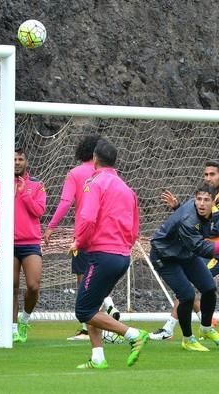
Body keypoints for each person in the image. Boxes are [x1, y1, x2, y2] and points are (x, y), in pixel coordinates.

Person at [71, 139, 148, 369]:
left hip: (101, 254)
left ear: (94, 159)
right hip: (122, 256)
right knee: (92, 305)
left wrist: (79, 242)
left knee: (83, 310)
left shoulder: (94, 183)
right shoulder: (127, 189)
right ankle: (98, 357)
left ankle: (133, 334)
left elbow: (87, 218)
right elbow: (135, 229)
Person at [150, 183, 219, 351]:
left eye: (206, 200)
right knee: (187, 295)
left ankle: (206, 328)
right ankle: (187, 339)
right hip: (164, 256)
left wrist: (177, 207)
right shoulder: (190, 221)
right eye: (198, 199)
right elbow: (204, 249)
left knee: (209, 288)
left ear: (213, 202)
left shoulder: (213, 211)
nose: (201, 203)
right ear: (194, 200)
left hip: (184, 252)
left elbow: (209, 232)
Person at [42, 135, 120, 341]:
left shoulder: (75, 173)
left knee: (84, 282)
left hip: (85, 235)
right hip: (109, 236)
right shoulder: (111, 175)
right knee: (97, 280)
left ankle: (88, 328)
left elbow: (66, 202)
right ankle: (108, 304)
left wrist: (50, 227)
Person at [0, 146, 47, 343]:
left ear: (26, 162)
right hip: (8, 243)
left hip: (30, 243)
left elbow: (39, 211)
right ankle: (13, 328)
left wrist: (24, 194)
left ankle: (25, 318)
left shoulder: (37, 186)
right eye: (14, 159)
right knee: (12, 287)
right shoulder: (0, 186)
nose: (17, 163)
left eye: (20, 159)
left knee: (33, 285)